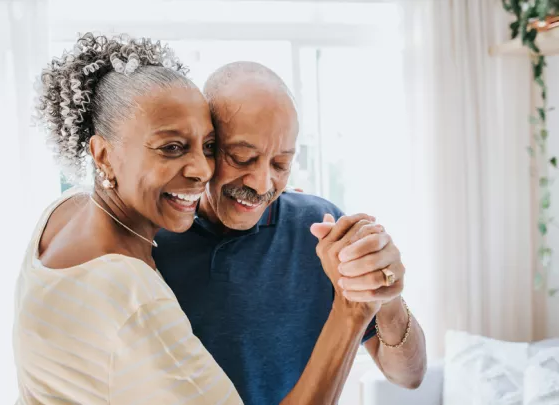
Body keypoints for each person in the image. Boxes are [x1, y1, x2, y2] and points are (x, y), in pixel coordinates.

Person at [13, 34, 393, 405]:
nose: (200, 169)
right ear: (103, 155)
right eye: (172, 147)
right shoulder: (135, 296)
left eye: (208, 147)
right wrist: (351, 311)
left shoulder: (61, 213)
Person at [154, 62, 428, 405]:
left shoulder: (321, 228)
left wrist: (386, 294)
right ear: (205, 144)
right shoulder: (151, 242)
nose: (262, 183)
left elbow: (410, 377)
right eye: (242, 158)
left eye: (280, 164)